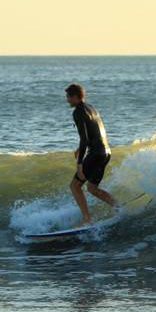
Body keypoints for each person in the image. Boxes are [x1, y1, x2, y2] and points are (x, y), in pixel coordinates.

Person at [65, 83, 118, 226]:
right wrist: (80, 147)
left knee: (75, 186)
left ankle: (87, 220)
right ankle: (119, 208)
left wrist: (79, 163)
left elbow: (84, 139)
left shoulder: (78, 112)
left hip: (95, 153)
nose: (67, 101)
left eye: (68, 97)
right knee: (91, 188)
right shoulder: (91, 108)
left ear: (75, 97)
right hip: (106, 152)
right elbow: (96, 132)